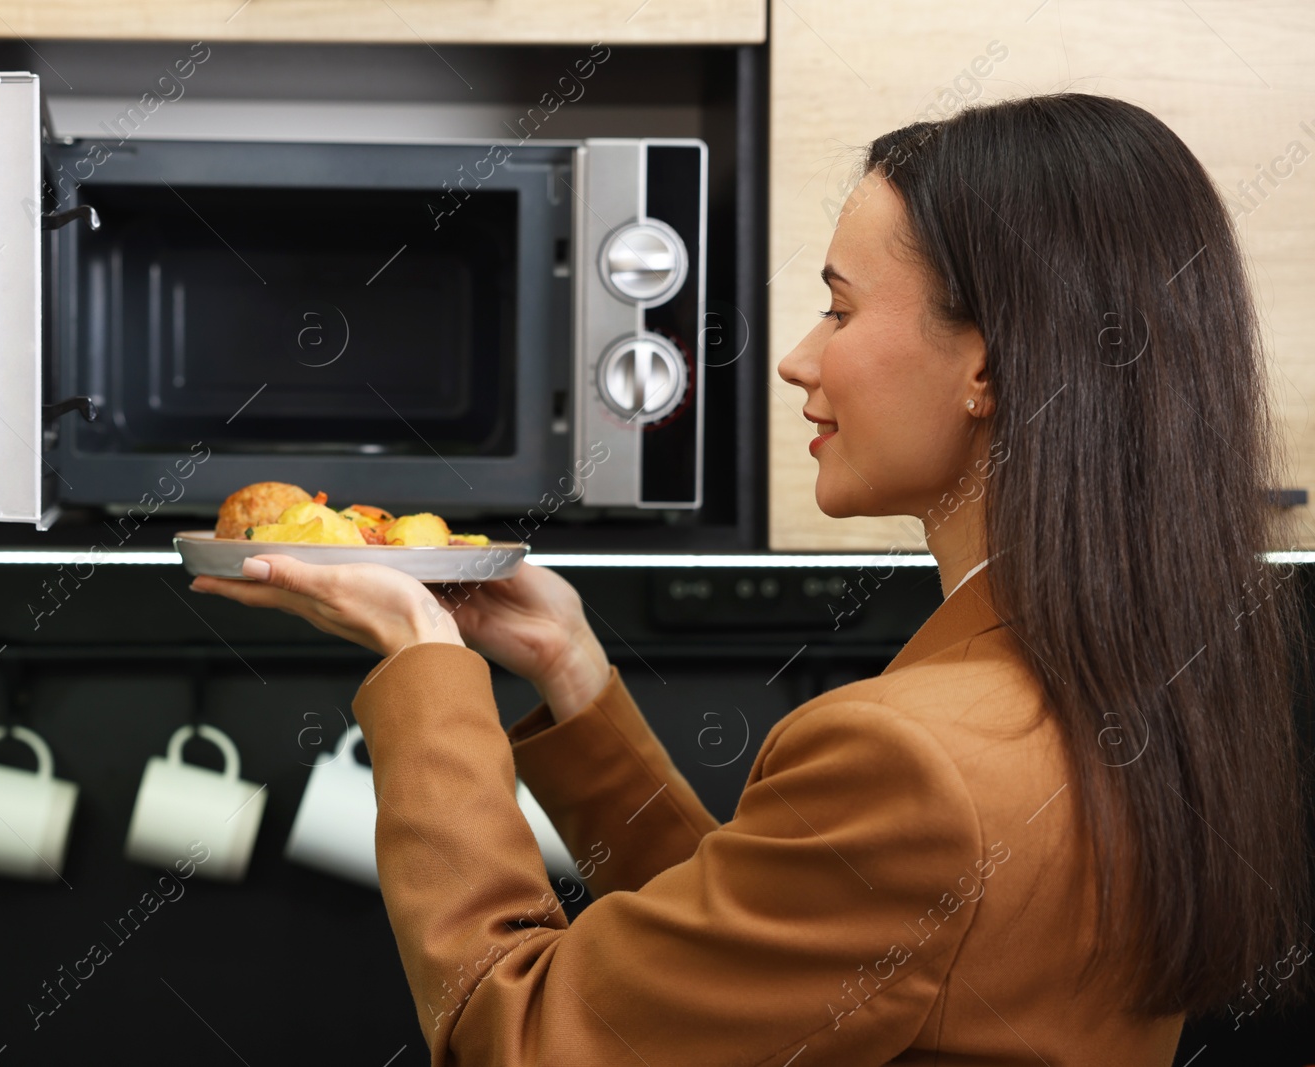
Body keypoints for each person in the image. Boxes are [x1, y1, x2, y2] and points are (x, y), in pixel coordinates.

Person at [190, 92, 1312, 1064]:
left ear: (989, 362)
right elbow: (784, 966)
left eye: (839, 305)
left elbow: (518, 1038)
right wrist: (572, 676)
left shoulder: (915, 762)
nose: (797, 357)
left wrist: (427, 670)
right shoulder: (1130, 690)